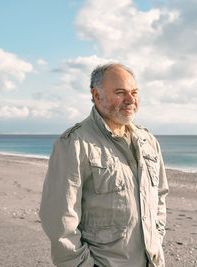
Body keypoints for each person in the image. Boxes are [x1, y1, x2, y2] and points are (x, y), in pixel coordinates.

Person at [39, 63, 169, 267]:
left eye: (134, 92)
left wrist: (157, 236)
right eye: (120, 93)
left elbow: (160, 196)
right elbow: (60, 220)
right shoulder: (74, 144)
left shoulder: (148, 141)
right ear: (96, 95)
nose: (130, 100)